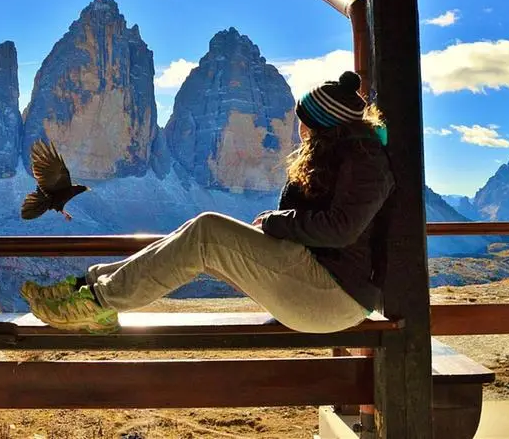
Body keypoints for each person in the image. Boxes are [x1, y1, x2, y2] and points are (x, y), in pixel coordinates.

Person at [21, 70, 395, 334]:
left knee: (206, 232)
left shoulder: (364, 160)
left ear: (322, 125)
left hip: (333, 297)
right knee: (197, 234)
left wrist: (277, 223)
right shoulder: (344, 154)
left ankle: (99, 304)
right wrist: (279, 224)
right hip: (318, 286)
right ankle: (90, 285)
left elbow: (341, 229)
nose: (297, 127)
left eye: (303, 120)